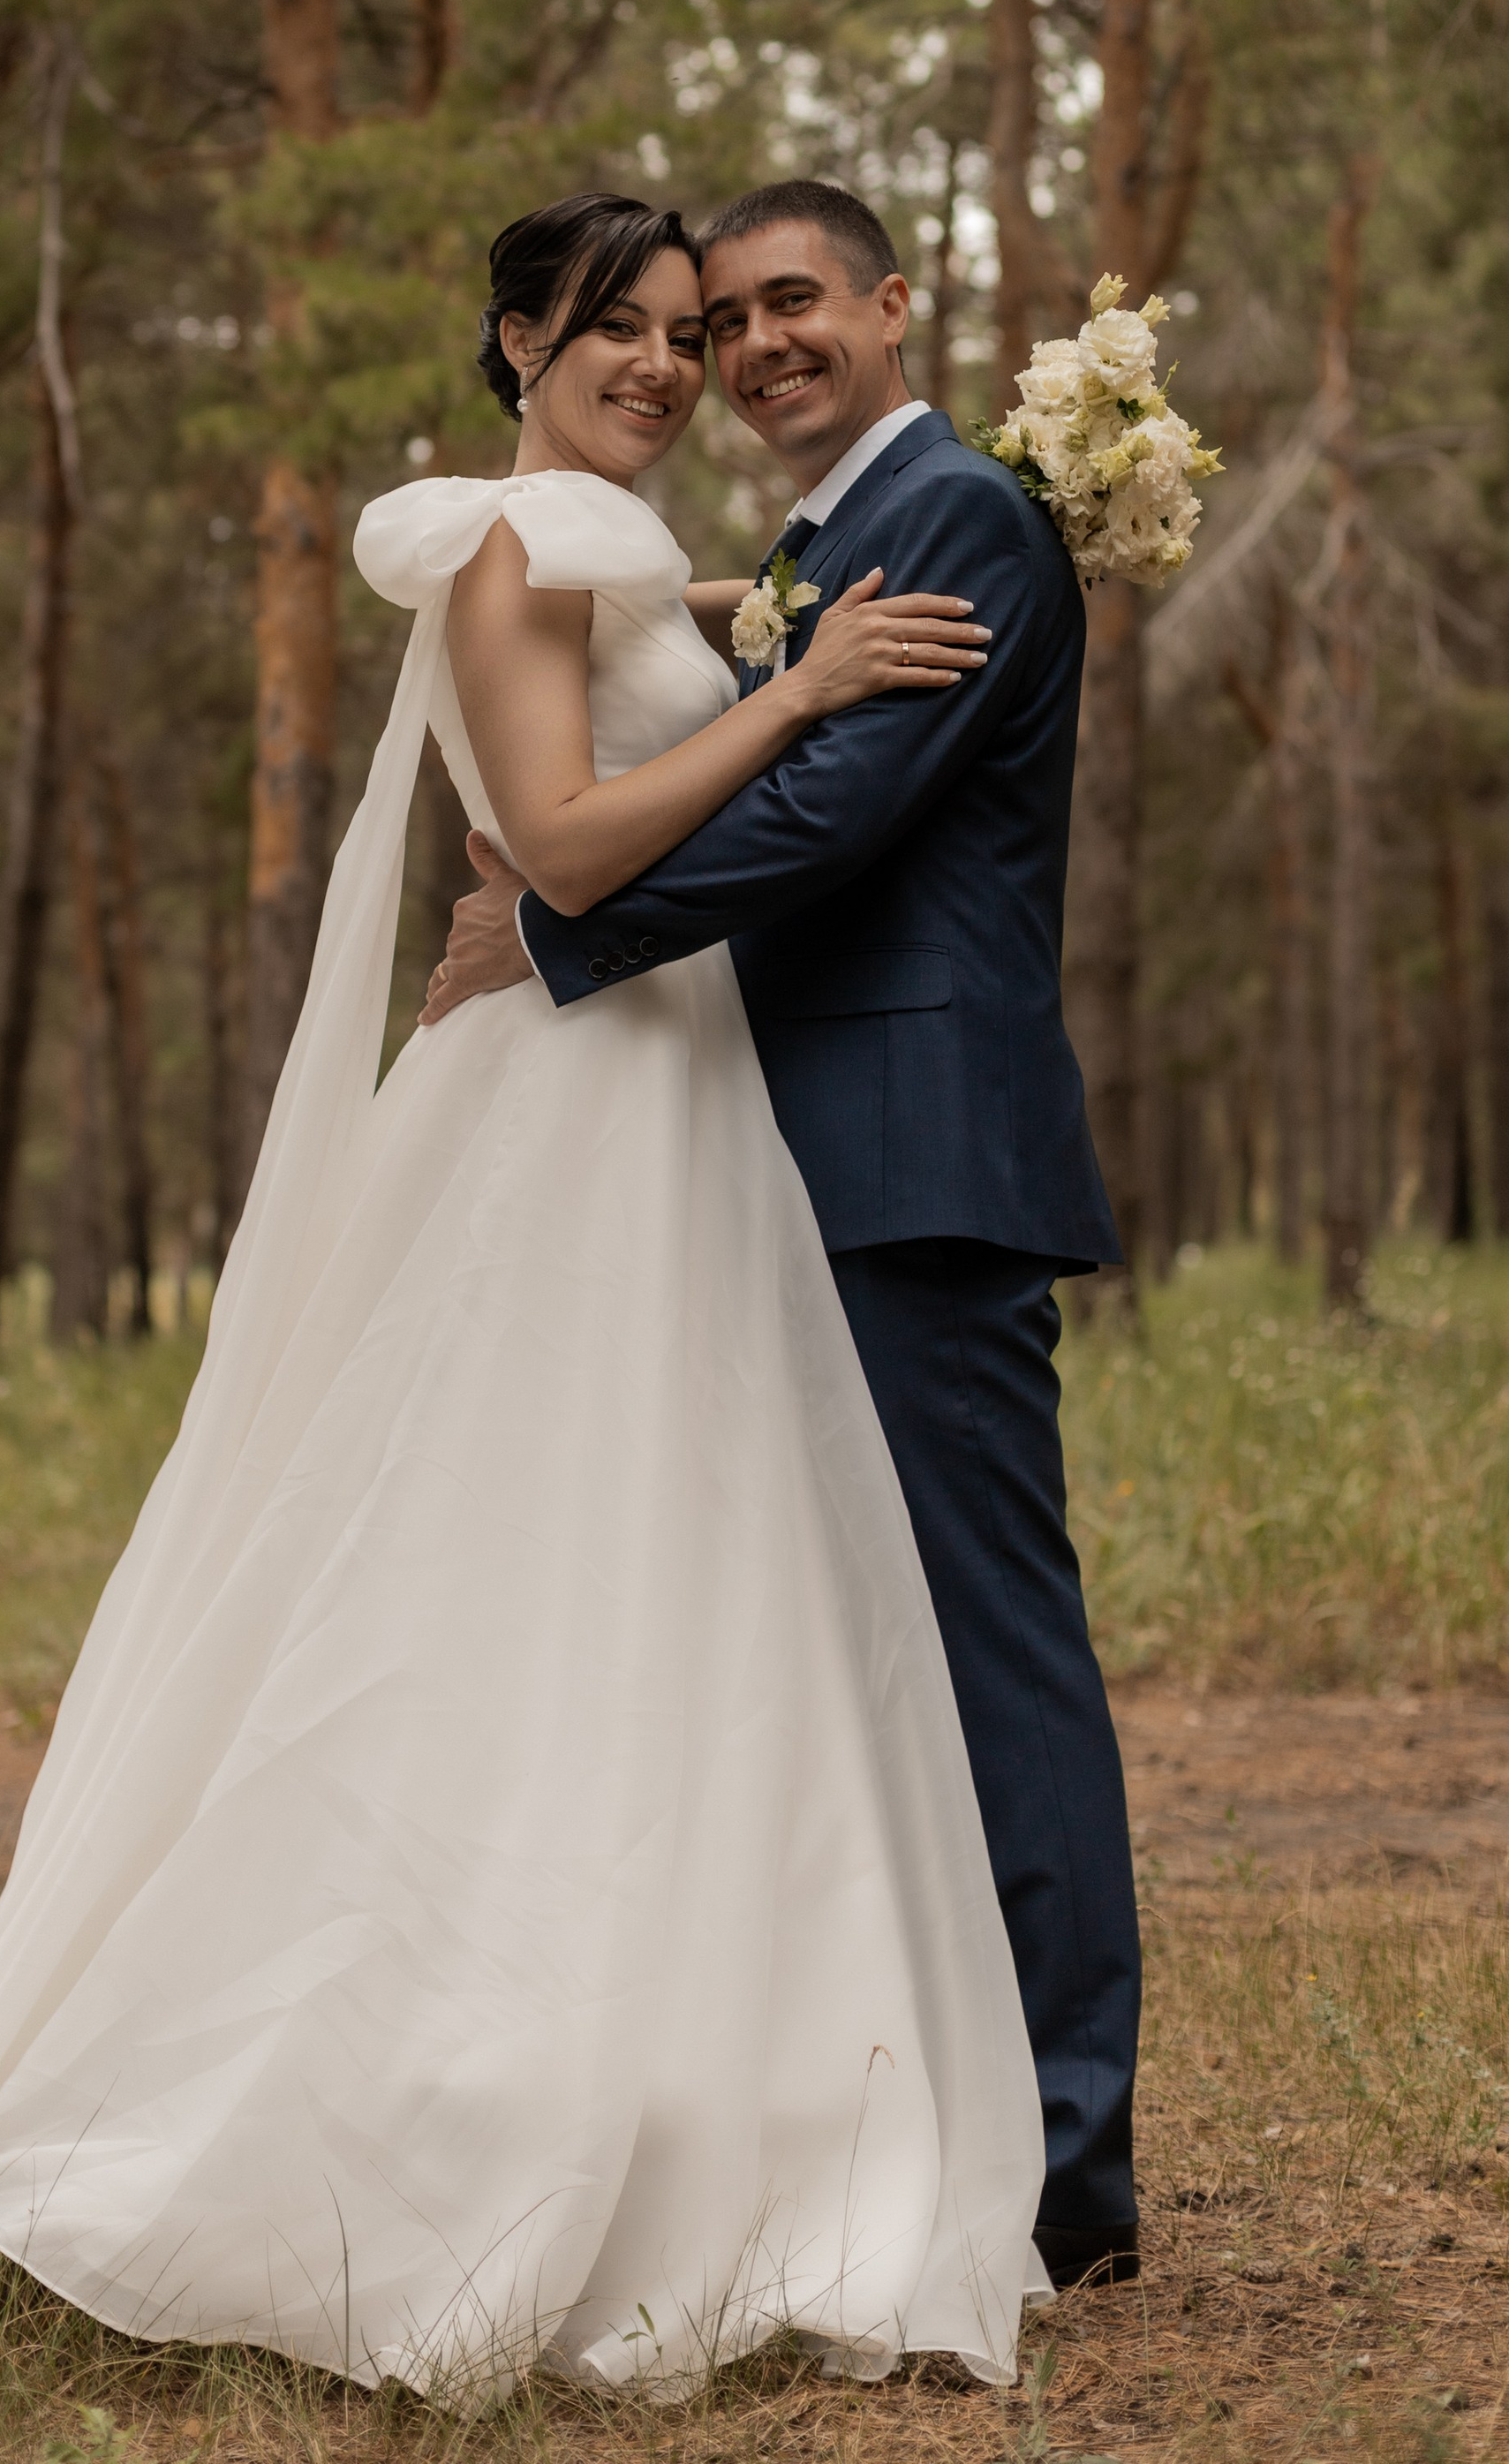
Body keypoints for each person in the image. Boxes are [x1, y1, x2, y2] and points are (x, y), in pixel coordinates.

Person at [0, 193, 1053, 2396]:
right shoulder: (511, 545)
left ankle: (686, 2061)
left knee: (664, 1581)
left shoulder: (611, 555)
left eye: (686, 333)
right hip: (577, 1105)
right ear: (516, 341)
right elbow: (565, 847)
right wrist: (809, 697)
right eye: (615, 328)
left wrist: (779, 623)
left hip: (678, 1109)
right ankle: (402, 2089)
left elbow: (654, 674)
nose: (663, 365)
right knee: (501, 1572)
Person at [427, 179, 1140, 2290]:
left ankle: (1062, 2165)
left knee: (984, 1655)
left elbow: (833, 812)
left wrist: (561, 928)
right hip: (764, 1154)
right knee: (815, 1662)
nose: (743, 348)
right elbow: (747, 677)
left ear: (894, 304)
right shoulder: (836, 543)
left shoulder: (959, 519)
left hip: (910, 1156)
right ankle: (880, 2104)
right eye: (711, 320)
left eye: (783, 301)